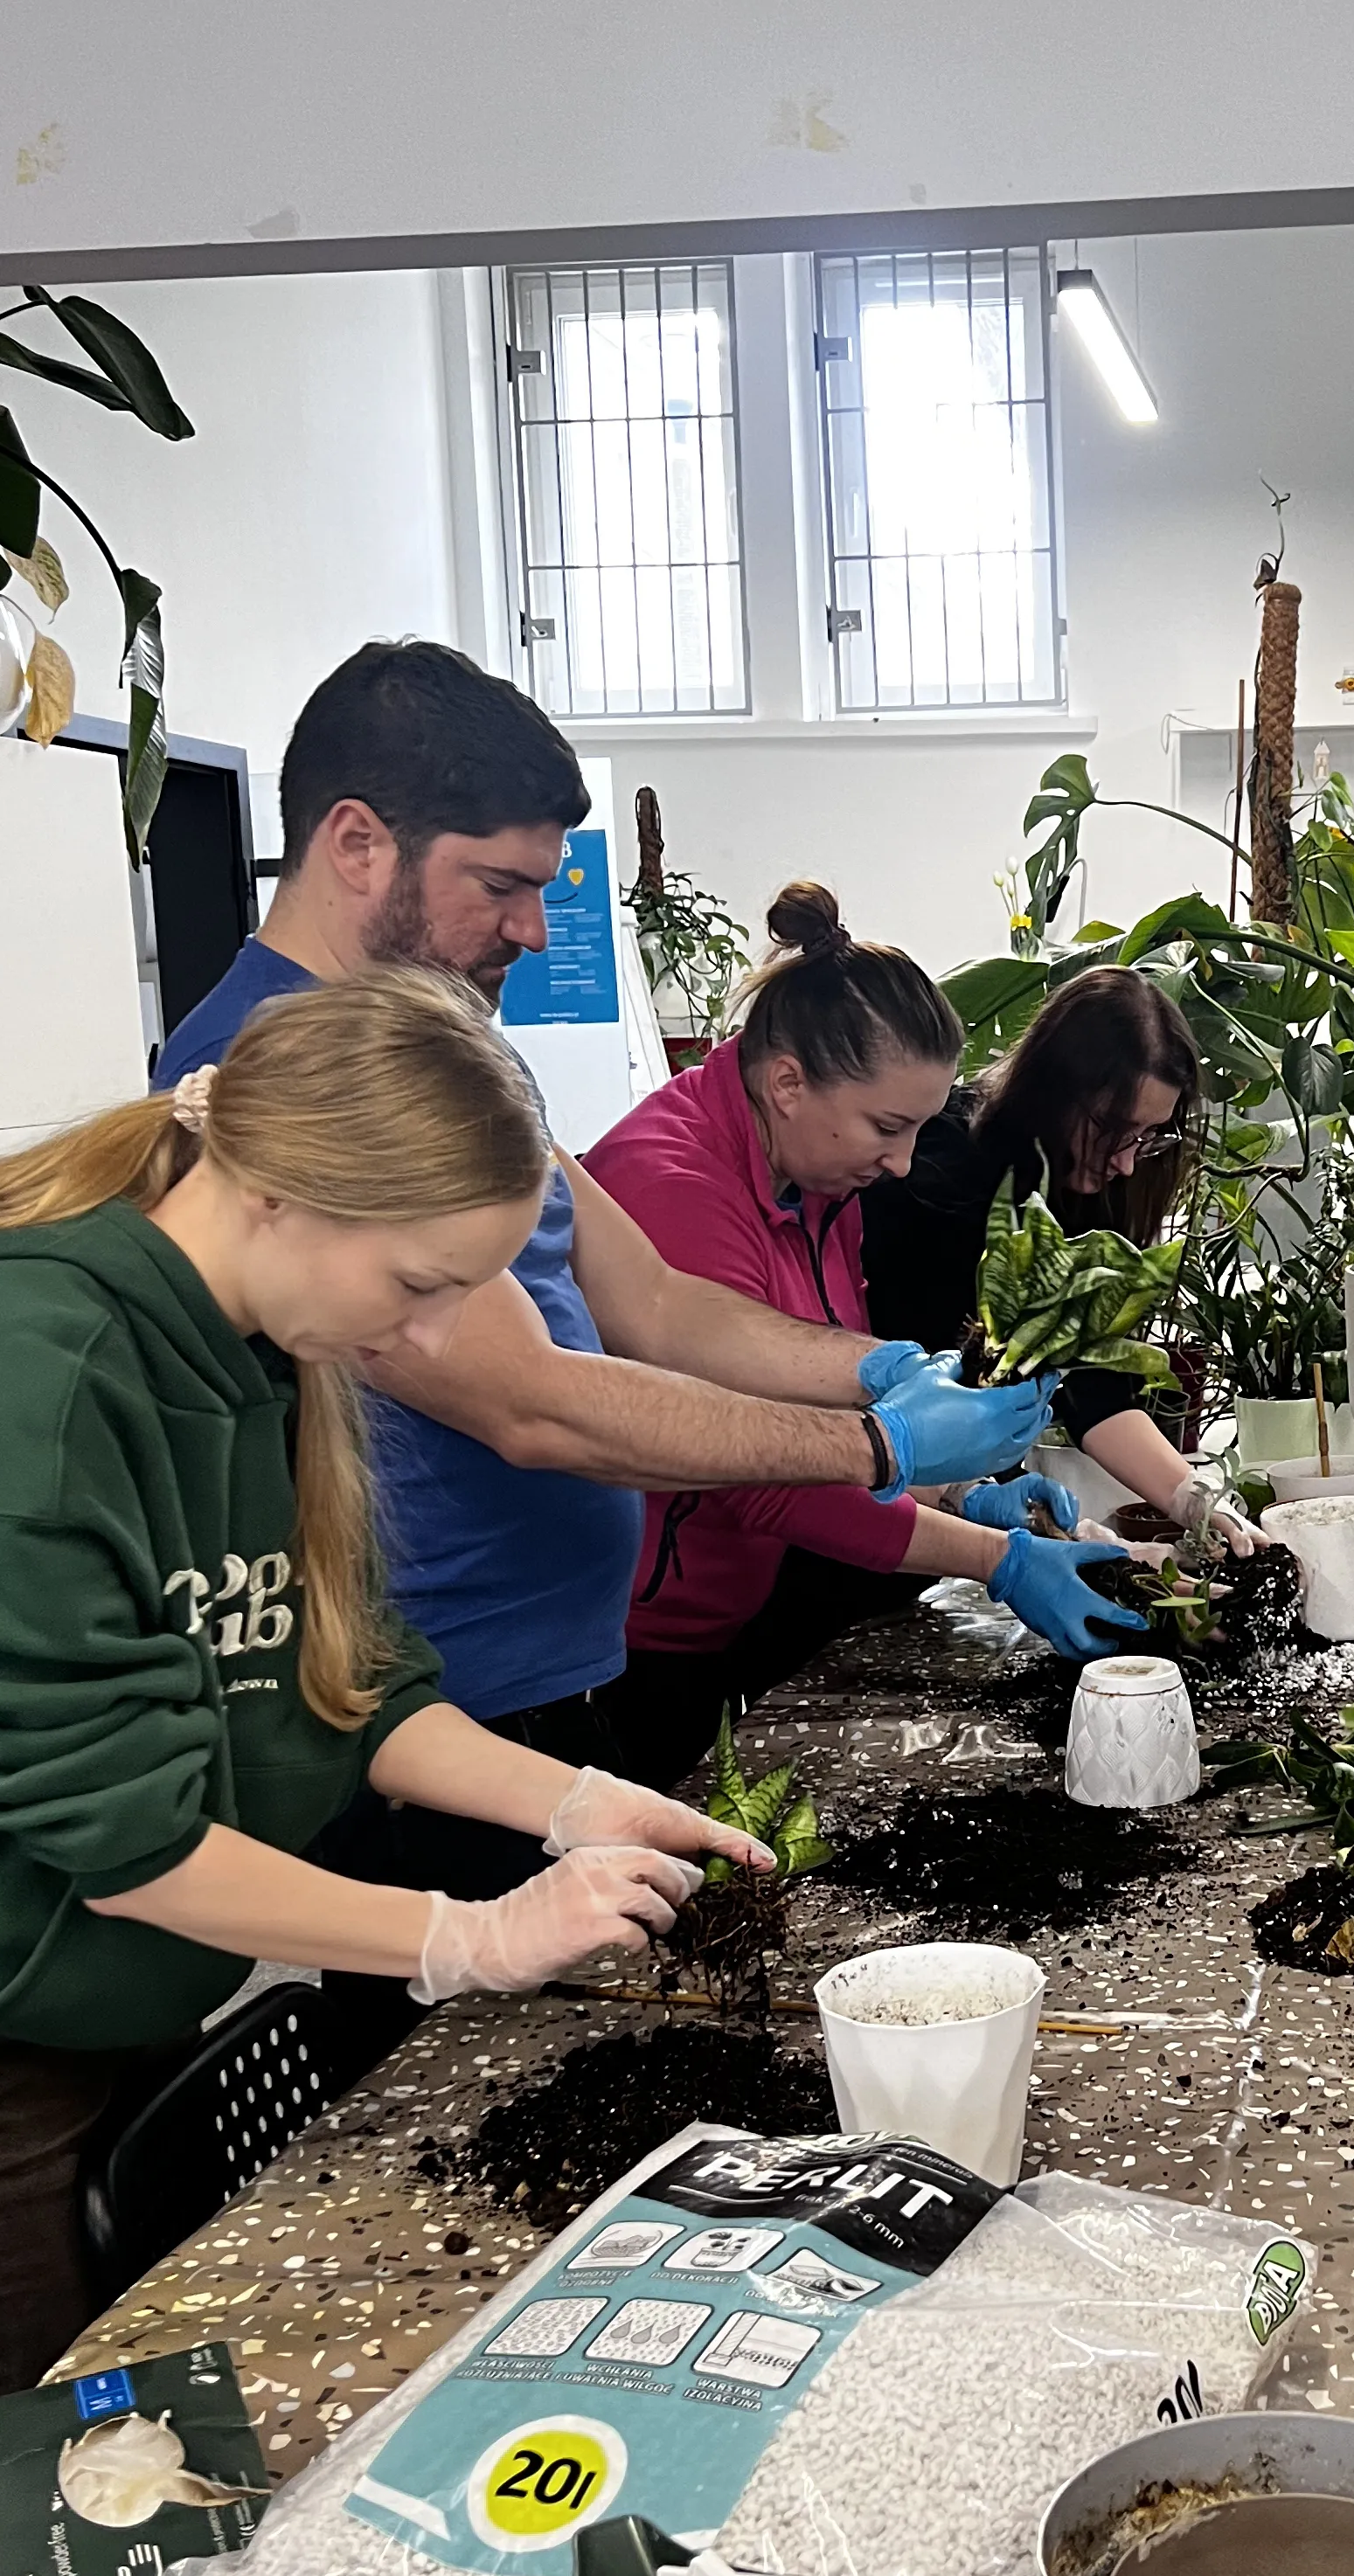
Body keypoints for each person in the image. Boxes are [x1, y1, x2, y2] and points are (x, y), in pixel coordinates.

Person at [0, 977, 767, 2504]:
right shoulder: (20, 1371)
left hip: (116, 2006)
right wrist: (462, 1938)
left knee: (172, 2482)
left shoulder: (260, 1338)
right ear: (285, 1193)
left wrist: (578, 1803)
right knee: (38, 2532)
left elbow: (351, 1677)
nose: (428, 1338)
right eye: (420, 1285)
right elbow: (124, 1840)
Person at [155, 645, 1049, 1947]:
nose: (532, 927)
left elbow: (659, 1301)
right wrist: (872, 1448)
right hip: (431, 1718)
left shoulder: (450, 1038)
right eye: (503, 885)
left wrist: (875, 1371)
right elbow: (533, 1407)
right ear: (356, 843)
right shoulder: (262, 1074)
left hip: (555, 1687)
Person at [582, 887, 1145, 1786]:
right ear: (787, 1083)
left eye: (920, 1128)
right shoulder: (668, 1187)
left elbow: (828, 1403)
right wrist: (998, 1560)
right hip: (626, 1654)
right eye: (890, 1126)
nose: (903, 1163)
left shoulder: (818, 1179)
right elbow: (756, 1480)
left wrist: (960, 1488)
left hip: (729, 1619)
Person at [860, 964, 1255, 1550]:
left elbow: (1090, 1385)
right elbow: (897, 1391)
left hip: (942, 1509)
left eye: (1149, 1136)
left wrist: (1193, 1498)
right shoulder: (935, 1173)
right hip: (869, 1501)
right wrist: (997, 1505)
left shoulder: (1092, 1188)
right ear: (1053, 1089)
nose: (1127, 1162)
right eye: (1115, 1129)